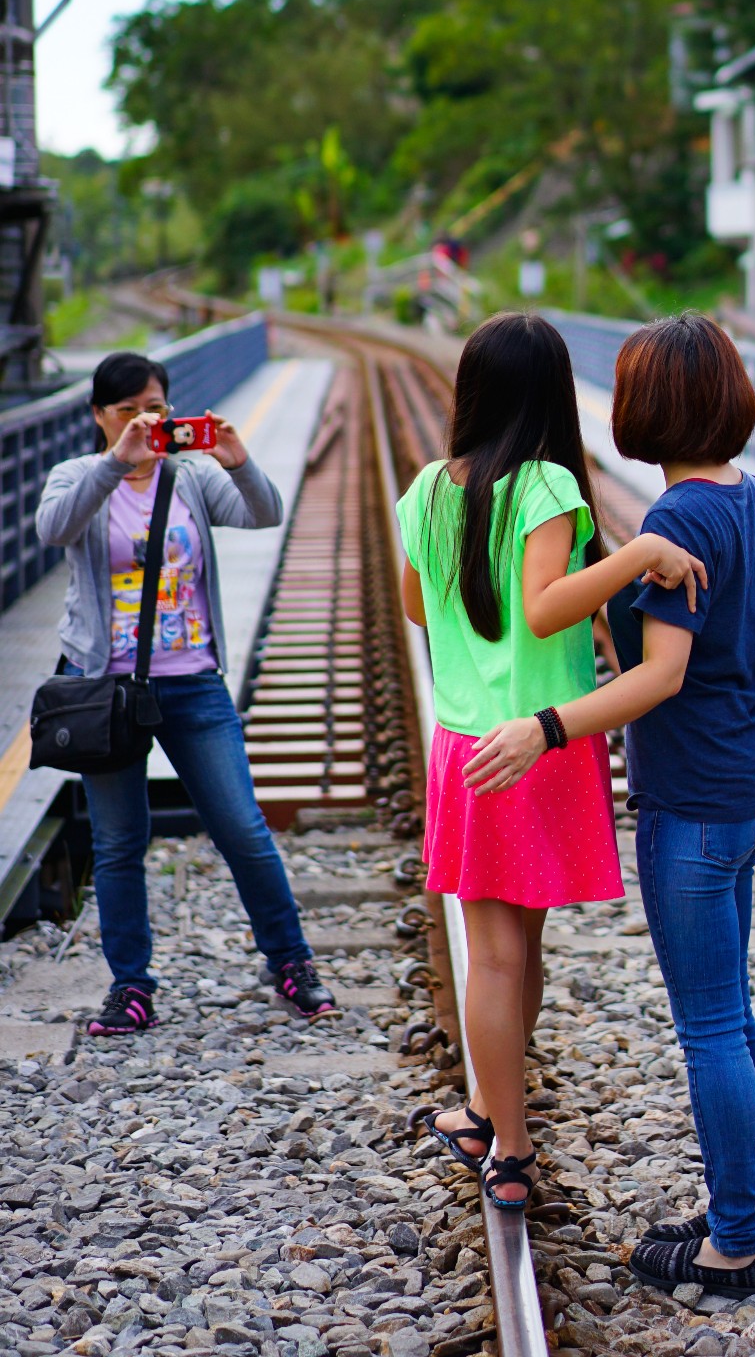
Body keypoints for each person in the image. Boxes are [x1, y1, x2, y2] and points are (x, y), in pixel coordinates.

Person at [466, 312, 755, 1296]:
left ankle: (736, 1241)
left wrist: (546, 725)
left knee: (708, 1023)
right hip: (749, 781)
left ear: (648, 408)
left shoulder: (679, 520)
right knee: (732, 1014)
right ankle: (753, 1198)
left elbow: (658, 676)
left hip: (692, 795)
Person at [397, 311, 709, 1214]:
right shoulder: (543, 486)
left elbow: (420, 608)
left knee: (506, 951)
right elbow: (541, 611)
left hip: (465, 743)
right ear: (549, 395)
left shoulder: (425, 488)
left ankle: (485, 1113)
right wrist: (641, 553)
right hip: (531, 740)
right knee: (508, 957)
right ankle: (512, 1144)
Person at [36, 351, 337, 1036]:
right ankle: (130, 987)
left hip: (195, 682)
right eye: (129, 409)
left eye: (157, 407)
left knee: (241, 829)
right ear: (98, 416)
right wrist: (116, 460)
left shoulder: (190, 478)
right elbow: (52, 529)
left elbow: (265, 512)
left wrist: (235, 457)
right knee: (118, 842)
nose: (147, 420)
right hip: (106, 689)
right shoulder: (79, 476)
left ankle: (290, 963)